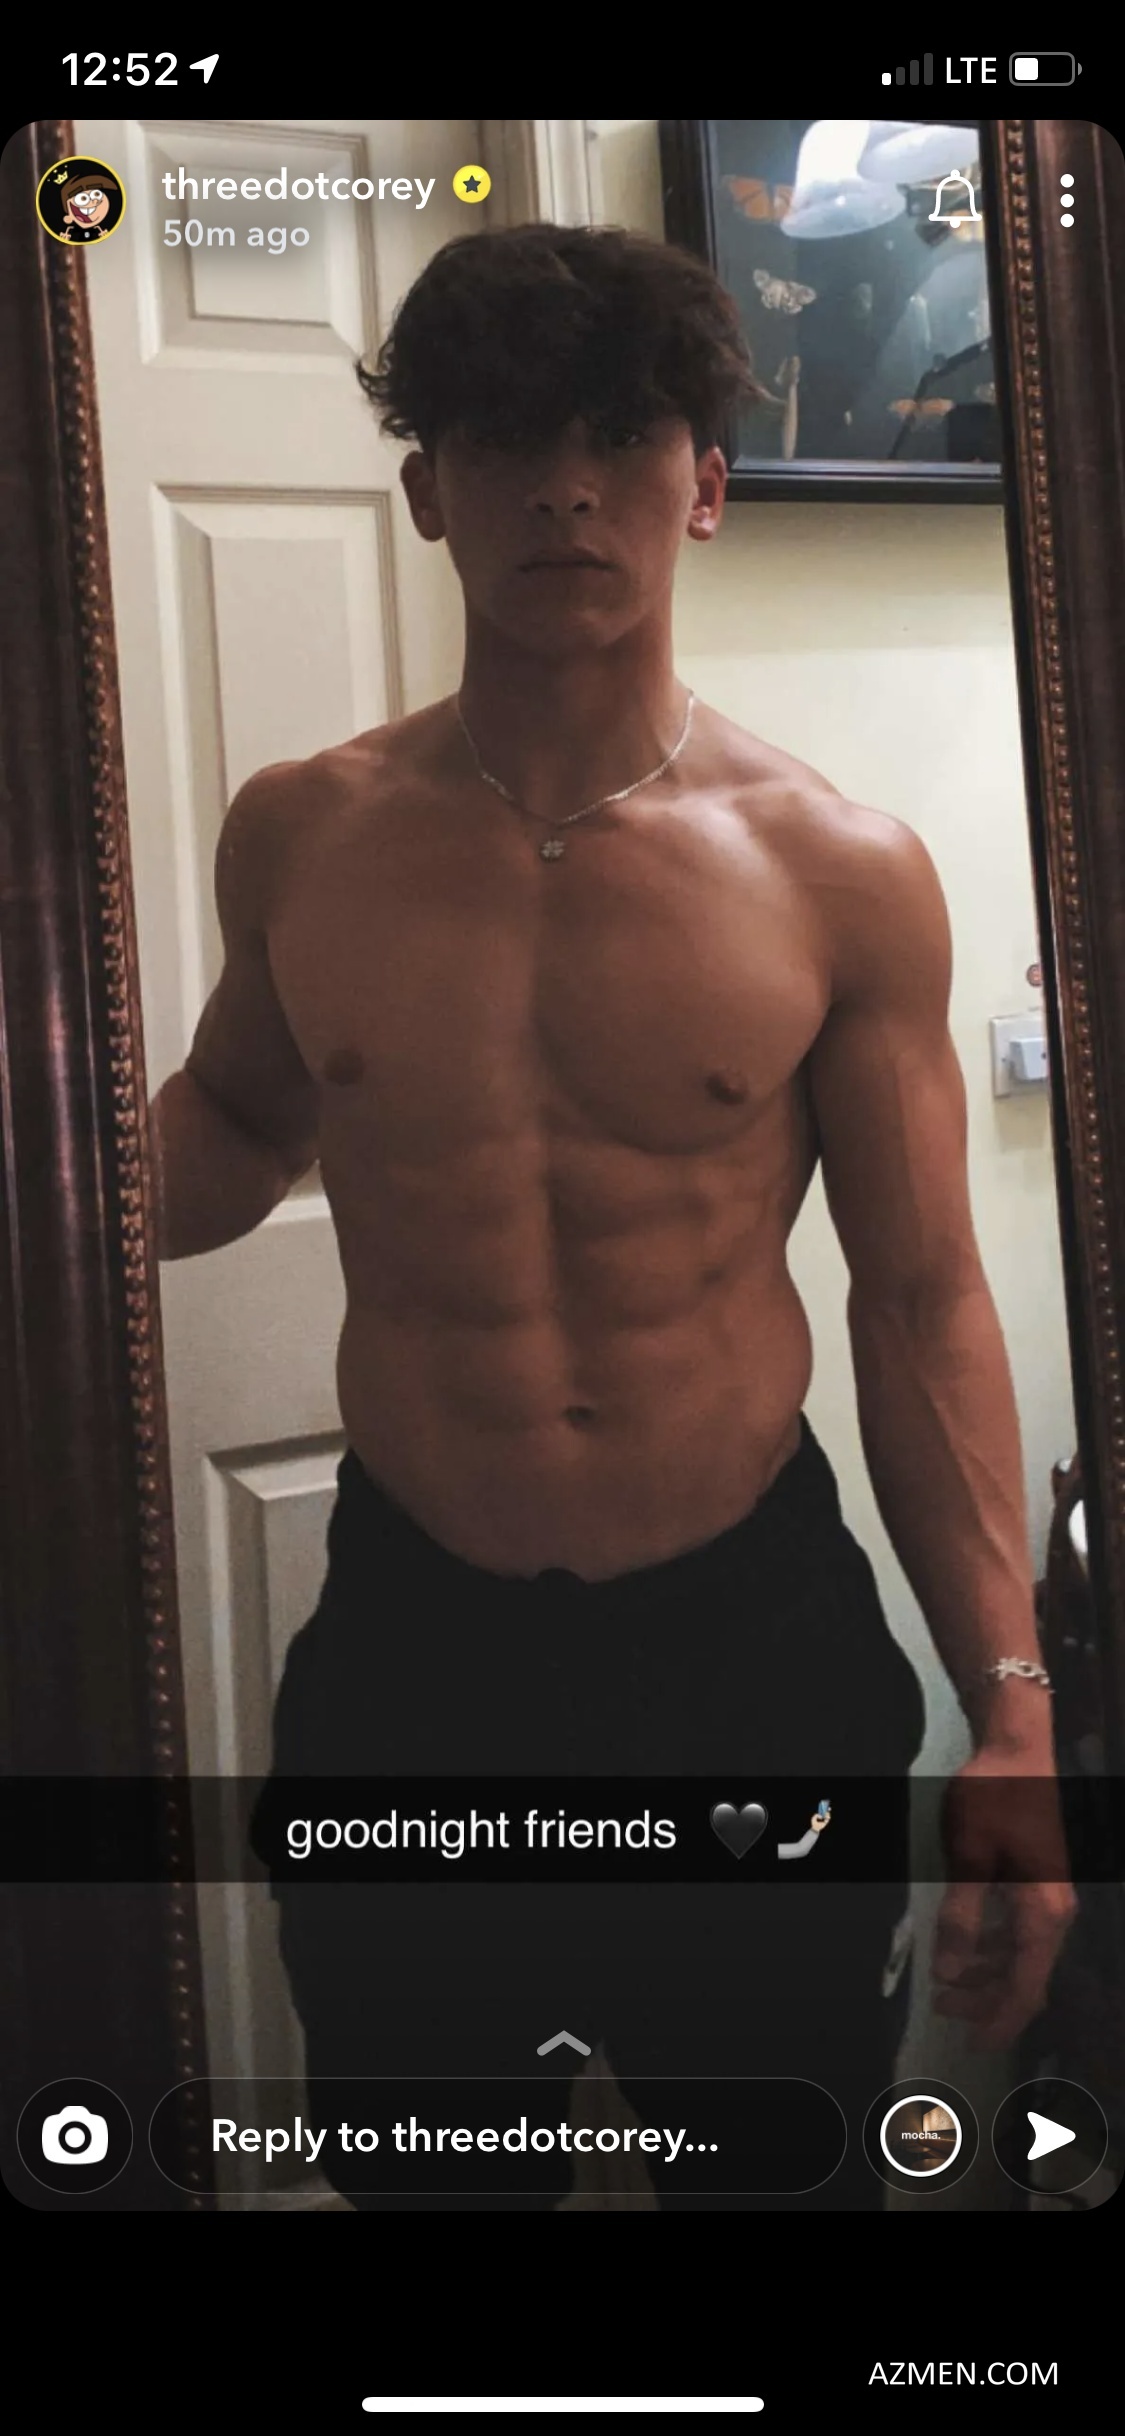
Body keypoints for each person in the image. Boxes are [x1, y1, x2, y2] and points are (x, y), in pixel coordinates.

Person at [151, 223, 1074, 2211]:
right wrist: (63, 1188)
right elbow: (230, 1122)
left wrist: (1010, 1711)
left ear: (704, 483)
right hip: (416, 1649)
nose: (563, 488)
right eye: (502, 438)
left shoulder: (835, 870)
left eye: (617, 434)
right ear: (427, 491)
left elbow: (918, 1302)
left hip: (743, 1641)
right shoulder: (304, 832)